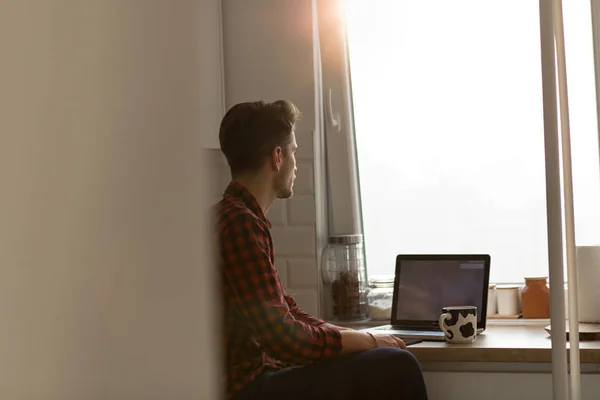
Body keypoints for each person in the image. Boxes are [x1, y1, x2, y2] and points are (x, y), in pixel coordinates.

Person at [214, 99, 429, 400]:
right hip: (248, 389)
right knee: (397, 366)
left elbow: (289, 312)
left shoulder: (236, 217)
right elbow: (285, 339)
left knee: (378, 359)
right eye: (294, 153)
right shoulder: (240, 224)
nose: (295, 164)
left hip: (256, 381)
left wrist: (359, 337)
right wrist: (367, 341)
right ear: (277, 157)